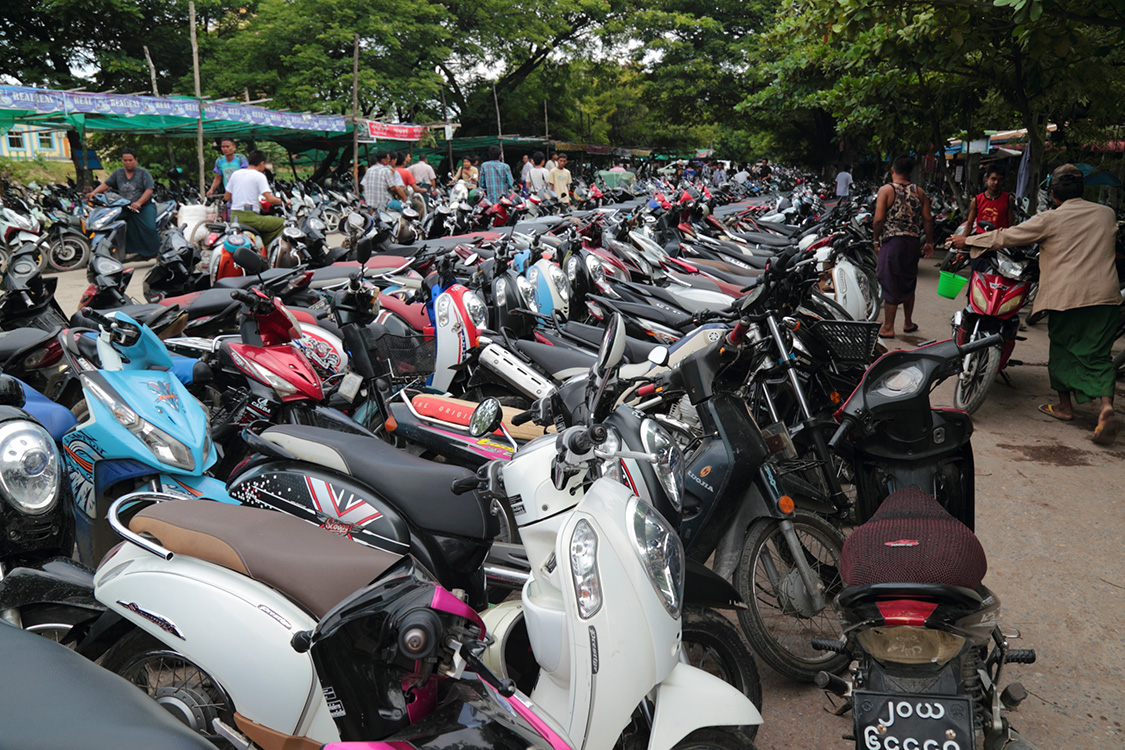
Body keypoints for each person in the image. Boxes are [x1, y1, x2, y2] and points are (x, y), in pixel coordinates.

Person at [951, 164, 1121, 444]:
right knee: (1100, 355)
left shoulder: (1049, 219)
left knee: (1064, 352)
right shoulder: (1106, 214)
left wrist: (966, 240)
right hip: (1105, 298)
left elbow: (1007, 235)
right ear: (1082, 190)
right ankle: (1105, 408)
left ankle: (1066, 408)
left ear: (1053, 195)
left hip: (1067, 298)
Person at [872, 155, 934, 339]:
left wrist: (876, 239)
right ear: (910, 173)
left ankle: (888, 327)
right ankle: (907, 322)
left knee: (890, 281)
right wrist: (929, 242)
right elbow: (928, 219)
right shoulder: (919, 191)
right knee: (908, 281)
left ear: (892, 170)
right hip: (912, 241)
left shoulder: (886, 190)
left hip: (893, 241)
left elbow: (878, 219)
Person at [88, 148, 159, 258]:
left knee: (149, 228)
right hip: (125, 207)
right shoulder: (118, 173)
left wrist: (139, 202)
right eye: (125, 160)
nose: (127, 163)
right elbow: (106, 184)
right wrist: (93, 192)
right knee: (117, 225)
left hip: (144, 207)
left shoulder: (143, 173)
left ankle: (155, 252)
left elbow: (149, 190)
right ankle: (125, 252)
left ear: (136, 160)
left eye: (130, 160)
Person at [224, 150, 286, 247]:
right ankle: (265, 247)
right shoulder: (259, 176)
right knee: (283, 223)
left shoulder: (236, 174)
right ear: (262, 163)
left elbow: (227, 197)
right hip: (251, 218)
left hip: (234, 217)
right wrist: (285, 202)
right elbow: (270, 199)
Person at [966, 166, 1014, 231]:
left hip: (999, 238)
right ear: (986, 180)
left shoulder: (1008, 199)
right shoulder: (977, 200)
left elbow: (1010, 224)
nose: (996, 182)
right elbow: (969, 224)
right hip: (982, 238)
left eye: (1000, 180)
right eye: (993, 179)